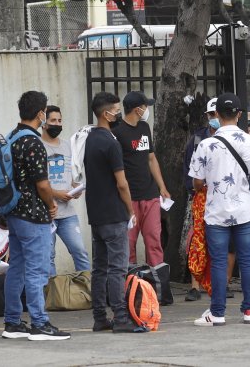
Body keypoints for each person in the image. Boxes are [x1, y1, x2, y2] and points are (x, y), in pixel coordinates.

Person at [189, 93, 250, 327]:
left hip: (216, 212)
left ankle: (218, 312)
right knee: (246, 261)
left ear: (217, 115)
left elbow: (197, 182)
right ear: (240, 114)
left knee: (219, 262)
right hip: (243, 210)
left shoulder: (205, 144)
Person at [2, 90, 70, 341]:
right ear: (41, 114)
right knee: (36, 270)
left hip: (13, 213)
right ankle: (39, 324)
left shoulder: (12, 137)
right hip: (33, 215)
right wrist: (51, 204)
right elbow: (42, 184)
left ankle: (12, 322)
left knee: (17, 268)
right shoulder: (33, 142)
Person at [84, 92, 142, 334]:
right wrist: (130, 210)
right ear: (106, 114)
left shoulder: (90, 139)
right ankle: (120, 317)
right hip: (114, 213)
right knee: (118, 267)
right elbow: (122, 183)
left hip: (96, 214)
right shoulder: (111, 142)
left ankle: (99, 316)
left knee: (99, 268)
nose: (118, 113)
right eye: (116, 110)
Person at [112, 91, 170, 268]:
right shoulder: (117, 132)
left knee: (154, 239)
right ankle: (131, 283)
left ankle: (156, 282)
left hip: (150, 194)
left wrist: (162, 187)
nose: (147, 110)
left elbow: (151, 158)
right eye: (145, 106)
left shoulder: (144, 128)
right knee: (128, 243)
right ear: (138, 109)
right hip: (129, 198)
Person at [41, 105, 90, 275]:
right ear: (44, 123)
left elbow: (71, 176)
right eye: (53, 120)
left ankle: (87, 290)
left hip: (68, 213)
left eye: (60, 120)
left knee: (80, 251)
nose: (57, 124)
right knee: (48, 257)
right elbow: (37, 183)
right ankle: (52, 295)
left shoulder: (68, 146)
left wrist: (75, 189)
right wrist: (56, 194)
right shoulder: (38, 146)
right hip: (46, 213)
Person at [181, 98, 218, 302]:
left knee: (220, 241)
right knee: (197, 240)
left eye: (216, 114)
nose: (214, 119)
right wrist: (194, 191)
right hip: (199, 197)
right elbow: (188, 169)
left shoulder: (231, 138)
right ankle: (194, 285)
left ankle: (220, 282)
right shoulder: (197, 140)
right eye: (211, 115)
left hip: (221, 197)